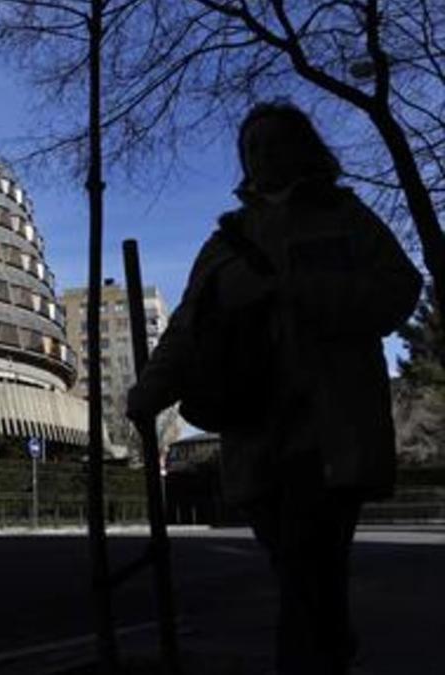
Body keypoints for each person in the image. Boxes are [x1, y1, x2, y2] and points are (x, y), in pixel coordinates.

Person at [127, 102, 422, 675]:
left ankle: (315, 657)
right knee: (298, 570)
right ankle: (331, 647)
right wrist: (150, 392)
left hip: (331, 429)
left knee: (309, 565)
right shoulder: (227, 240)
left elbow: (399, 288)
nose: (261, 156)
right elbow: (187, 326)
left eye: (272, 143)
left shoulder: (345, 216)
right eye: (251, 148)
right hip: (254, 433)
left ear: (303, 148)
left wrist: (302, 292)